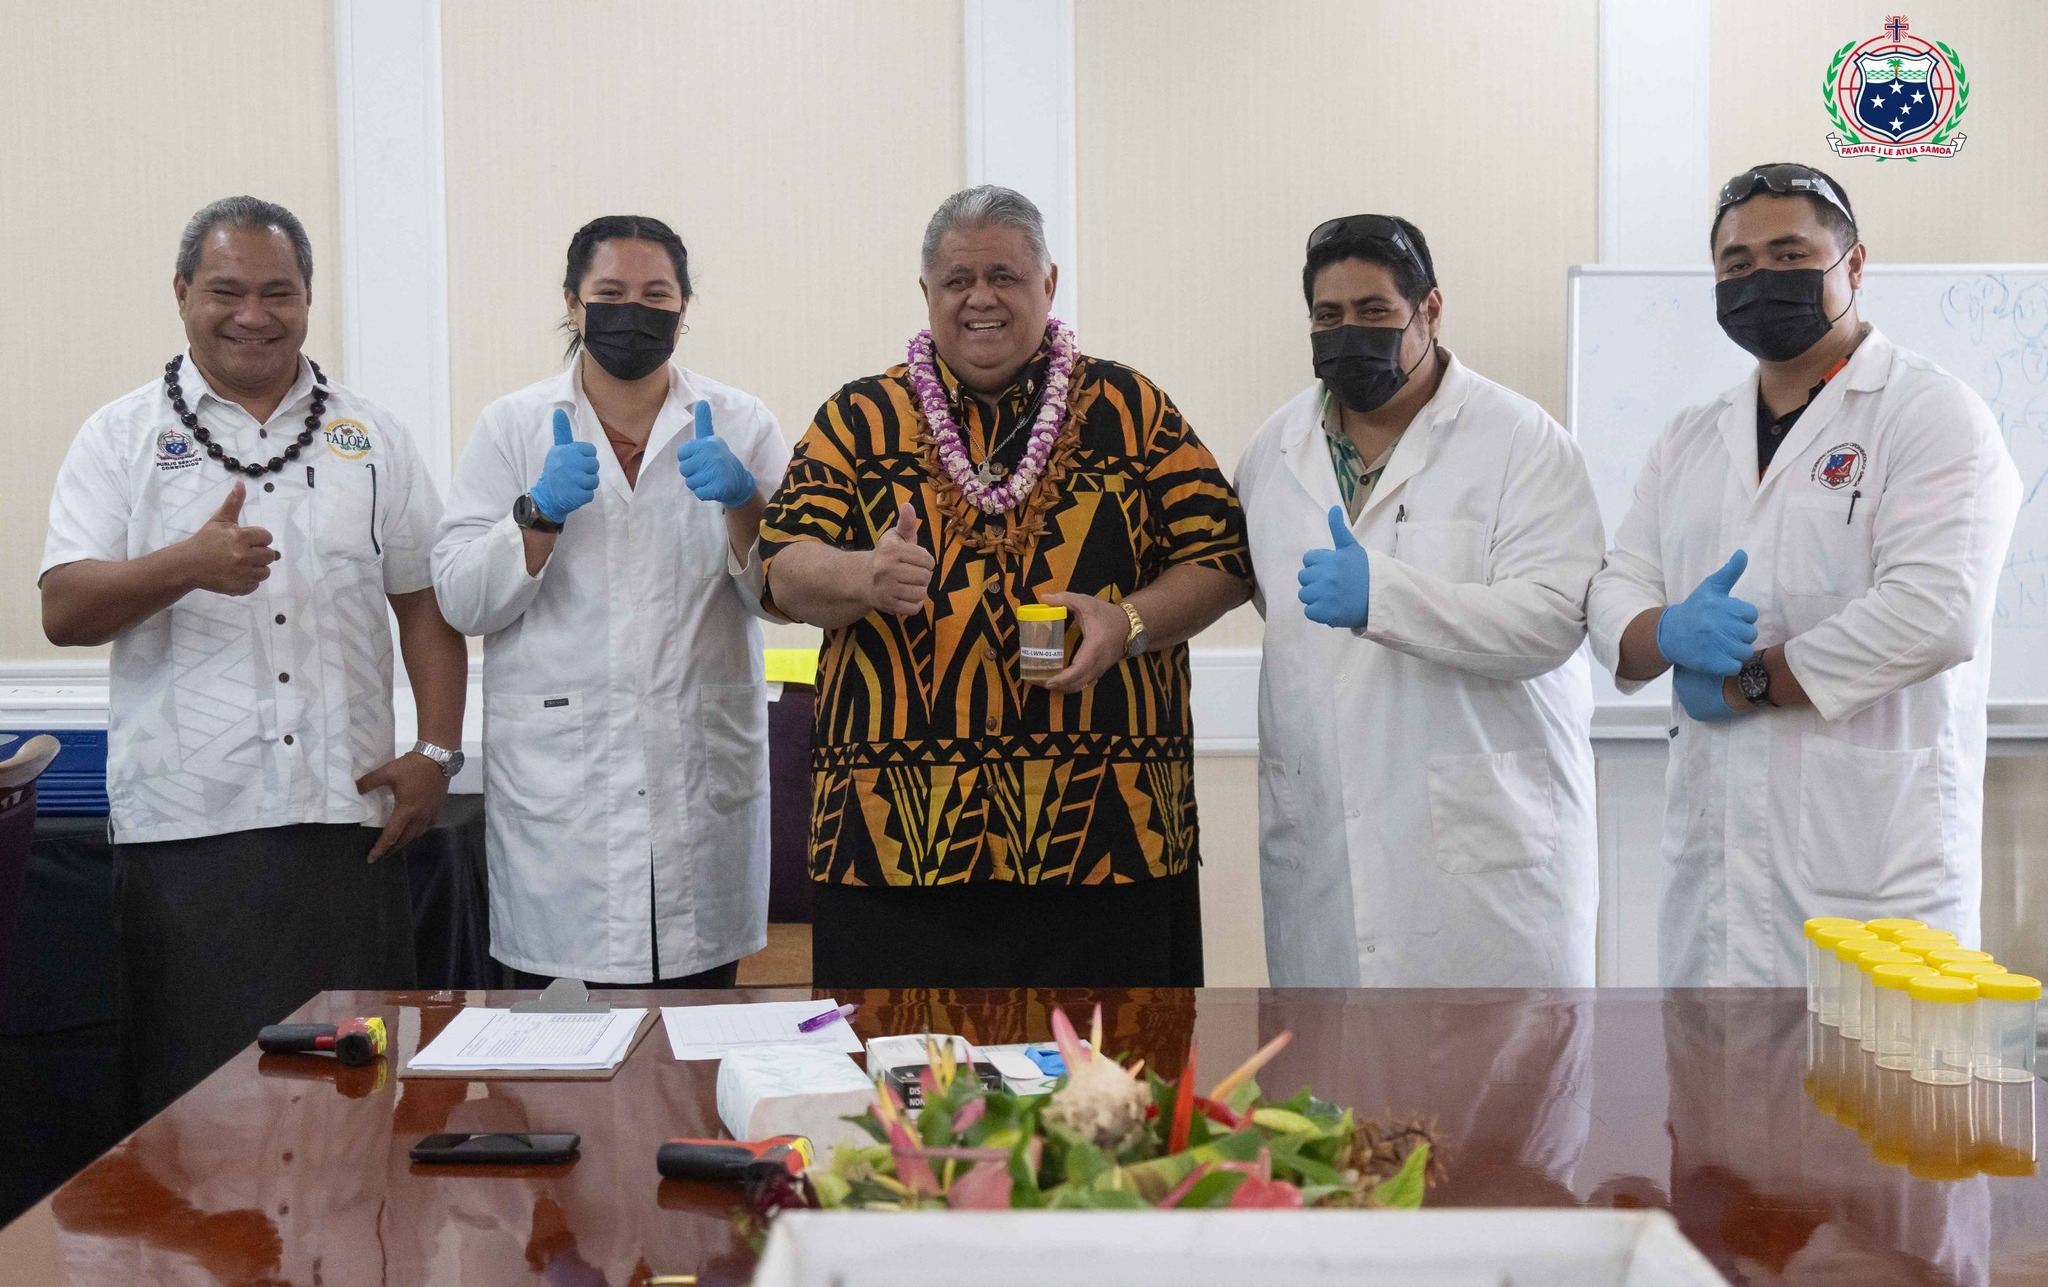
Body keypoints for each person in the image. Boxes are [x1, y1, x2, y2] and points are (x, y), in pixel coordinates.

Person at [39, 196, 467, 1120]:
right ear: (183, 292)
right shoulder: (118, 437)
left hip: (351, 828)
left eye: (279, 292)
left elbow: (426, 607)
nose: (253, 313)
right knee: (196, 1129)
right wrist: (184, 564)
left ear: (309, 298)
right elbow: (64, 610)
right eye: (226, 290)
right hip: (189, 841)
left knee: (359, 1113)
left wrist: (437, 753)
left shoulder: (373, 437)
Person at [760, 185, 1252, 988]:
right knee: (901, 1099)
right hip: (895, 848)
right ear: (927, 294)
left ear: (1048, 284)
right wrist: (865, 574)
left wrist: (1128, 620)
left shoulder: (1132, 410)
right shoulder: (859, 418)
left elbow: (1223, 556)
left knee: (1112, 1099)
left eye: (1005, 276)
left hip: (1109, 842)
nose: (980, 297)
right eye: (957, 280)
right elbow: (779, 567)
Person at [1588, 163, 2022, 986]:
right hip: (1715, 888)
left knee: (1876, 1108)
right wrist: (1662, 631)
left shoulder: (1930, 414)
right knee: (1713, 1106)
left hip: (1878, 875)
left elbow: (1937, 611)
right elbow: (1616, 588)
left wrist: (1753, 681)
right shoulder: (1690, 437)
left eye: (1790, 255)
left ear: (1853, 265)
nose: (1762, 280)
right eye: (1737, 264)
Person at [1236, 214, 1604, 987]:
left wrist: (1386, 598)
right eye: (1328, 317)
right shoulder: (1273, 452)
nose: (1349, 333)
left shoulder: (1521, 442)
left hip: (1486, 873)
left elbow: (1551, 620)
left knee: (1499, 1102)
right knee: (1326, 1097)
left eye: (1374, 312)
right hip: (1325, 859)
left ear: (1429, 310)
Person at [433, 215, 790, 989]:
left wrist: (745, 501)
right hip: (563, 821)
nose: (636, 311)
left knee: (690, 1065)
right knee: (557, 1080)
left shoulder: (742, 422)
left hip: (698, 795)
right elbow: (461, 597)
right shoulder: (512, 426)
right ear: (573, 303)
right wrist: (538, 513)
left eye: (656, 294)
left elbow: (784, 592)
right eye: (611, 293)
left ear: (685, 307)